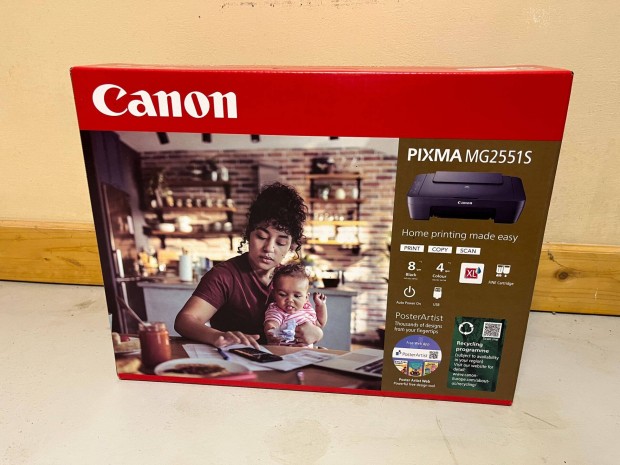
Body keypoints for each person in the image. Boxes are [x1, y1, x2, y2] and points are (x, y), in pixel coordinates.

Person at [174, 182, 325, 348]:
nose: (269, 248)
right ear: (248, 234)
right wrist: (218, 336)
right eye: (261, 237)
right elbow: (185, 321)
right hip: (235, 357)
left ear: (291, 246)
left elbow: (307, 321)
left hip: (285, 359)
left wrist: (317, 333)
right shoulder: (224, 276)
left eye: (281, 242)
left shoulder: (290, 279)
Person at [264, 263, 327, 347]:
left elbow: (320, 323)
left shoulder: (307, 308)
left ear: (306, 297)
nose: (290, 299)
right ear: (274, 294)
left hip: (307, 352)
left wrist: (320, 305)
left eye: (297, 296)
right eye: (282, 294)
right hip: (284, 351)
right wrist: (271, 331)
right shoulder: (276, 309)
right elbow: (272, 322)